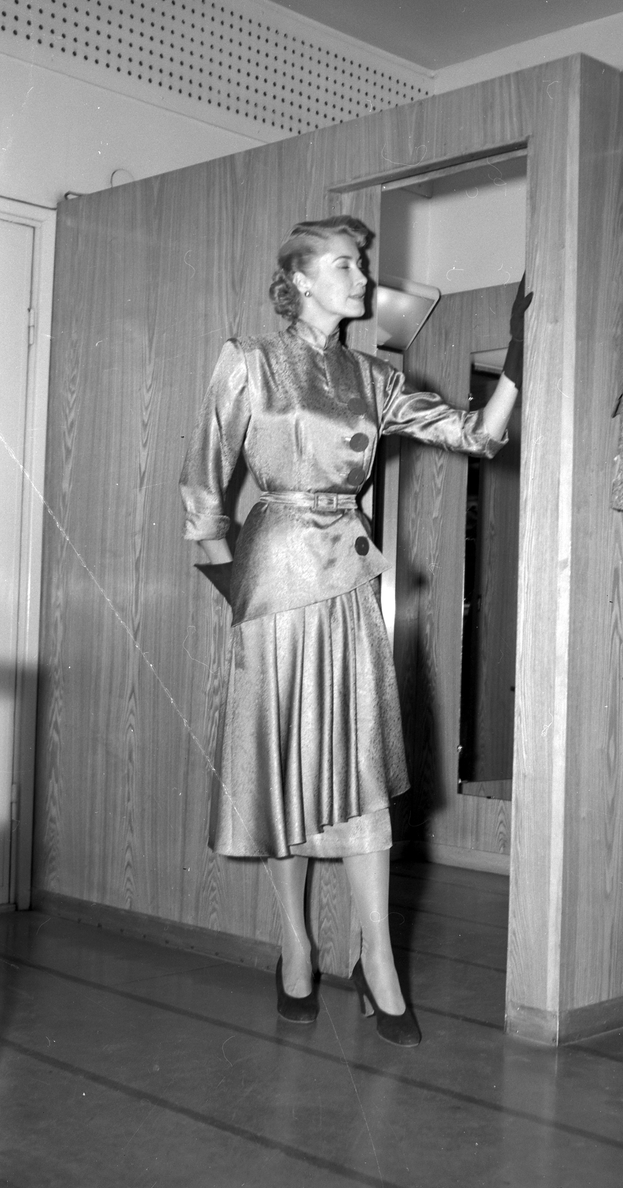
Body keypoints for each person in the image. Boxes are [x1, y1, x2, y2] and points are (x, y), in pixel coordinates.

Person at [180, 216, 530, 1047]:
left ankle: (379, 963)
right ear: (300, 279)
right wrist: (236, 588)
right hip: (273, 582)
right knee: (283, 767)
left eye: (362, 265)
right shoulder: (250, 362)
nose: (362, 277)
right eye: (345, 264)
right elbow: (201, 493)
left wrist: (521, 353)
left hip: (347, 577)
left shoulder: (375, 376)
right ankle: (297, 947)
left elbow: (478, 435)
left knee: (360, 765)